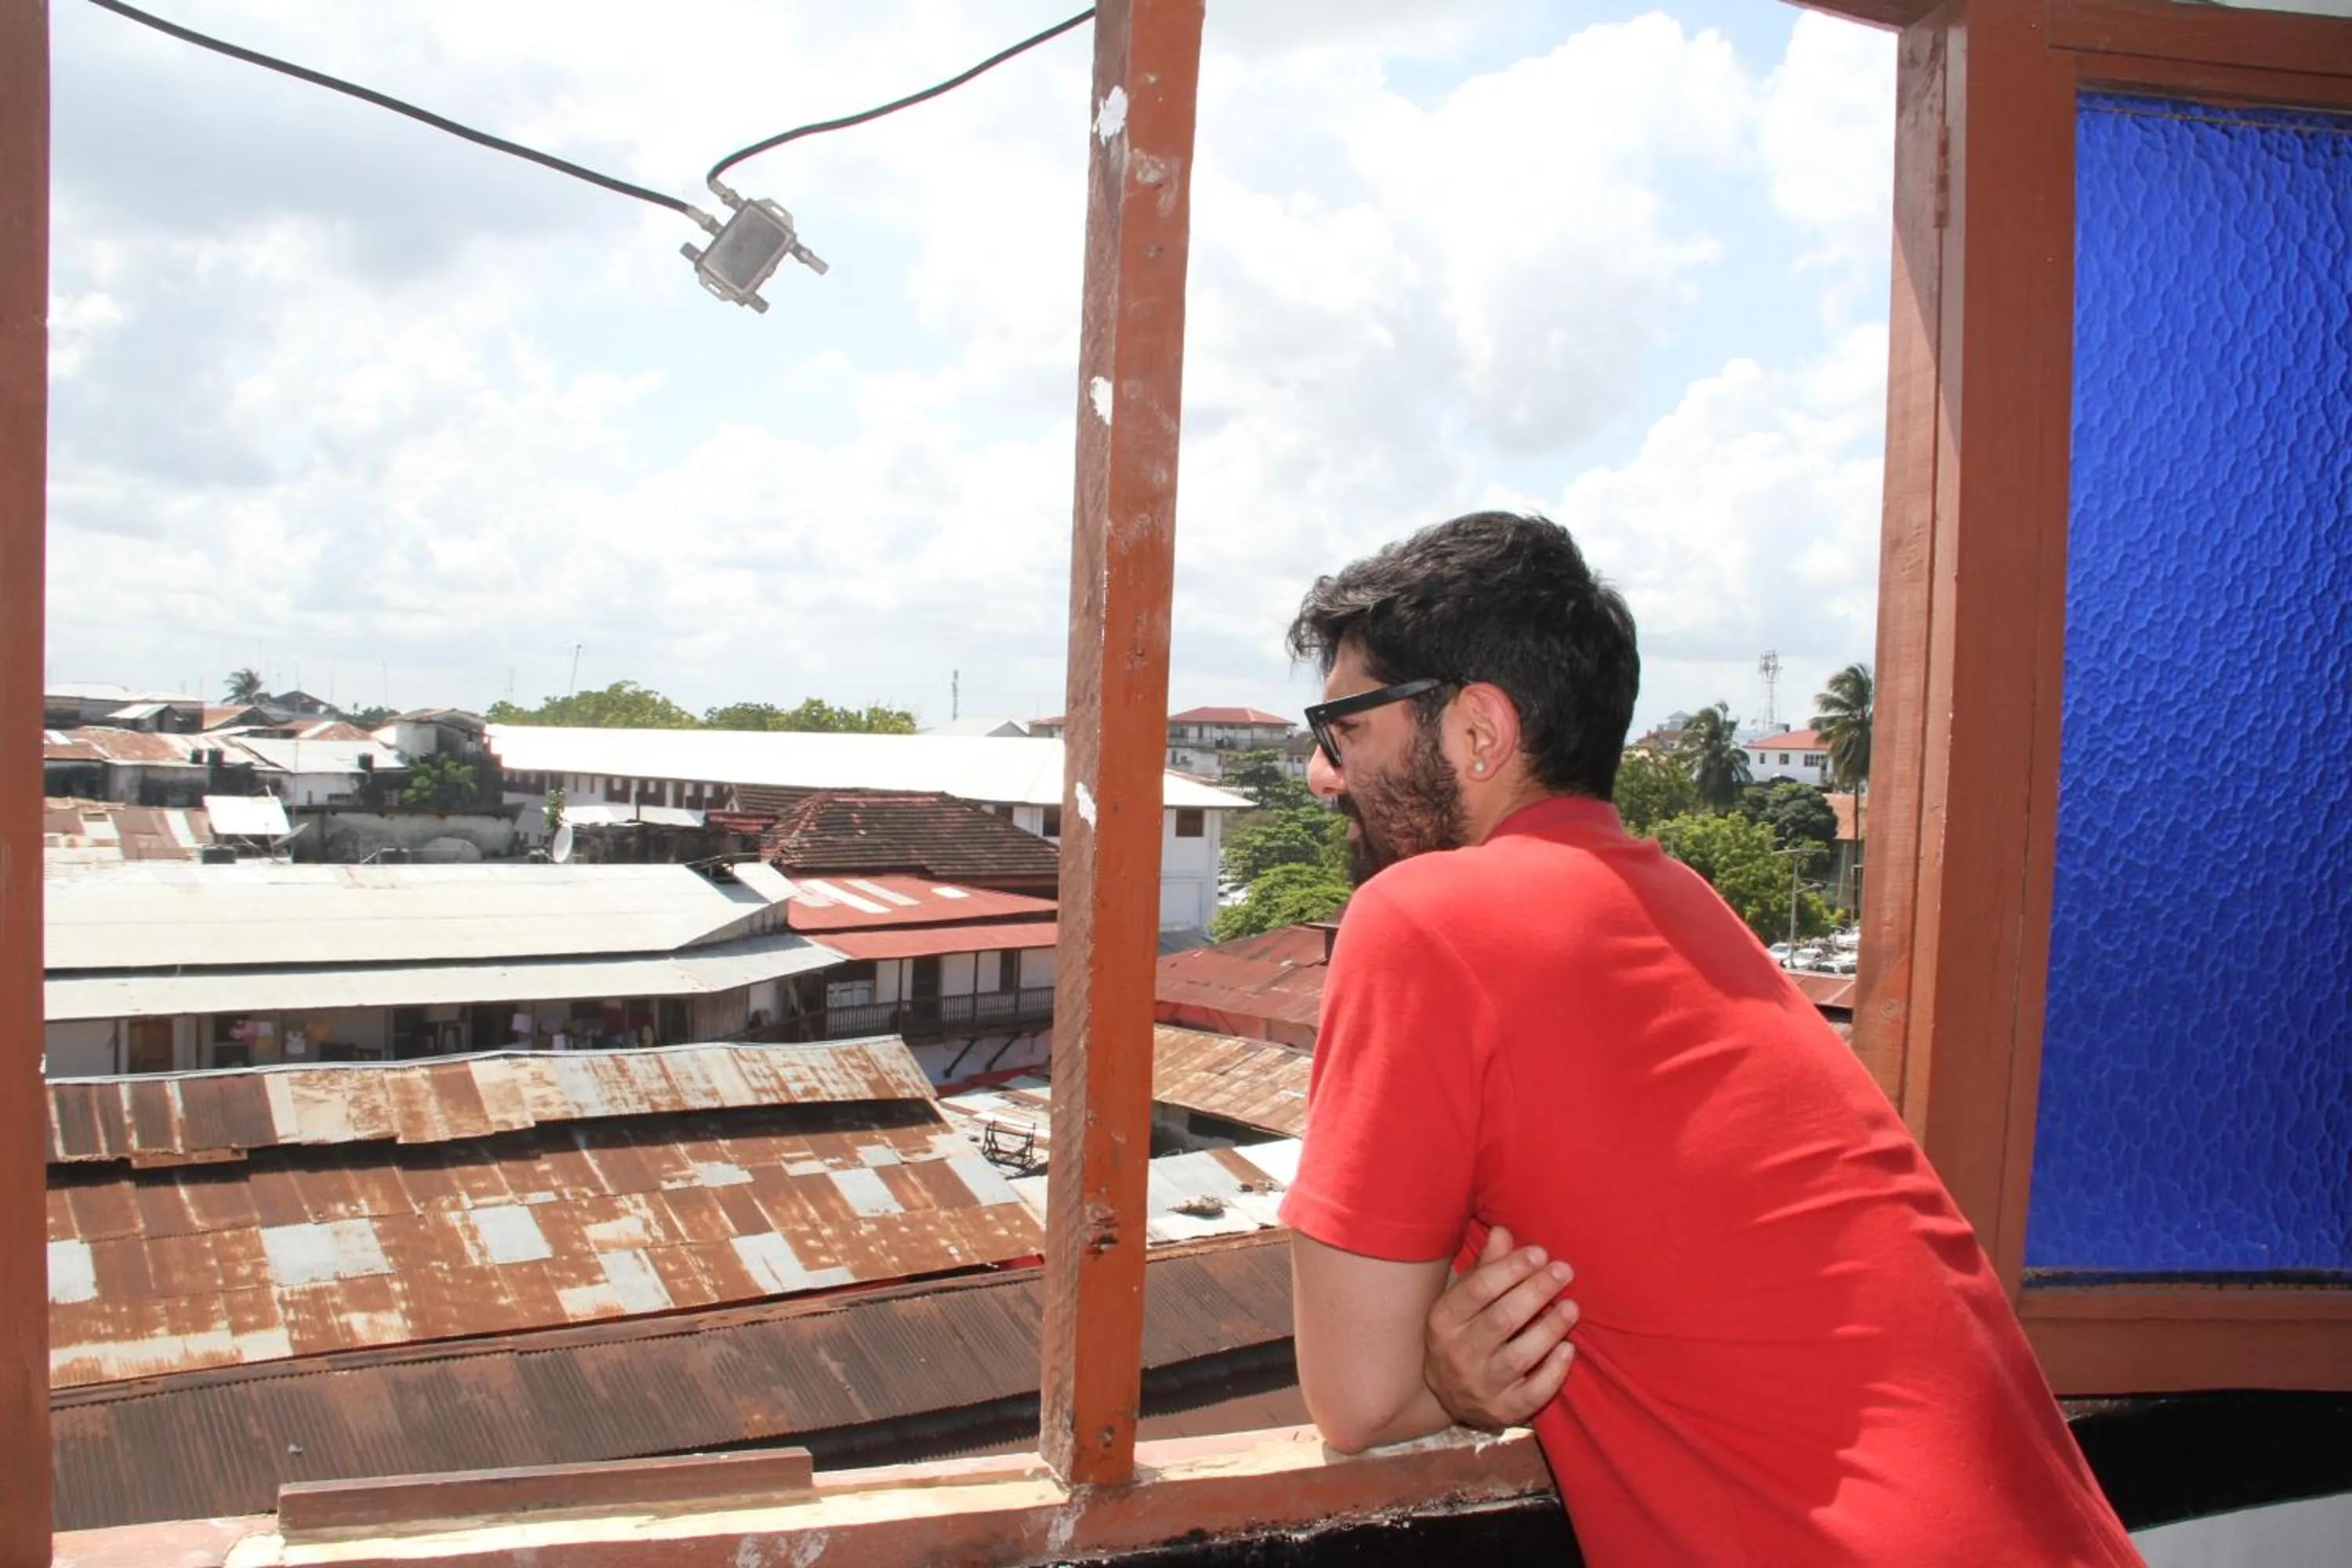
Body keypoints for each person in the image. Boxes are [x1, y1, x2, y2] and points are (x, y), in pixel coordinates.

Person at [1276, 512, 2138, 1565]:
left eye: (1345, 729)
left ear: (1476, 732)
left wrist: (1444, 1380)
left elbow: (1356, 1400)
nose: (1323, 776)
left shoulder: (1422, 918)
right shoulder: (1680, 902)